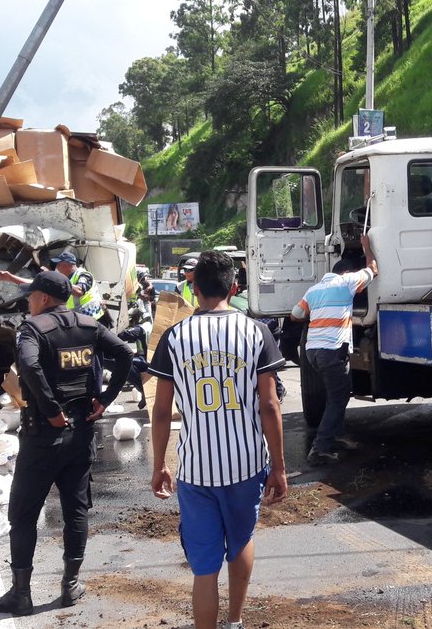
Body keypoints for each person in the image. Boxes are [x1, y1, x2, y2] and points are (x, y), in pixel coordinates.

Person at [148, 251, 288, 629]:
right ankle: (235, 621)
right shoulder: (256, 332)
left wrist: (160, 465)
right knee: (241, 541)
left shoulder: (175, 337)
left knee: (204, 567)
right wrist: (278, 467)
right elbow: (270, 405)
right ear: (234, 287)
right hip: (246, 465)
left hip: (196, 470)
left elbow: (160, 412)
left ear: (194, 288)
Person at [0, 271, 133, 615]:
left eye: (30, 295)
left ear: (44, 298)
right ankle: (70, 585)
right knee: (75, 510)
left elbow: (28, 364)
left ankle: (21, 594)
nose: (28, 301)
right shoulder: (89, 326)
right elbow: (125, 353)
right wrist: (105, 399)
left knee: (23, 515)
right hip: (81, 433)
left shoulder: (32, 329)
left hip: (43, 435)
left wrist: (51, 410)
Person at [290, 235, 378, 465]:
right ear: (346, 272)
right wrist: (367, 247)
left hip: (313, 351)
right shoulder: (347, 282)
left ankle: (336, 436)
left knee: (335, 394)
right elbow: (373, 269)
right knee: (339, 397)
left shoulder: (313, 290)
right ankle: (320, 448)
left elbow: (295, 315)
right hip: (331, 351)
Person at [51, 252, 111, 329]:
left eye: (59, 264)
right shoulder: (68, 278)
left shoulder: (84, 275)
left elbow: (79, 291)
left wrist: (58, 282)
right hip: (80, 320)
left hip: (94, 319)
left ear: (68, 264)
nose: (57, 267)